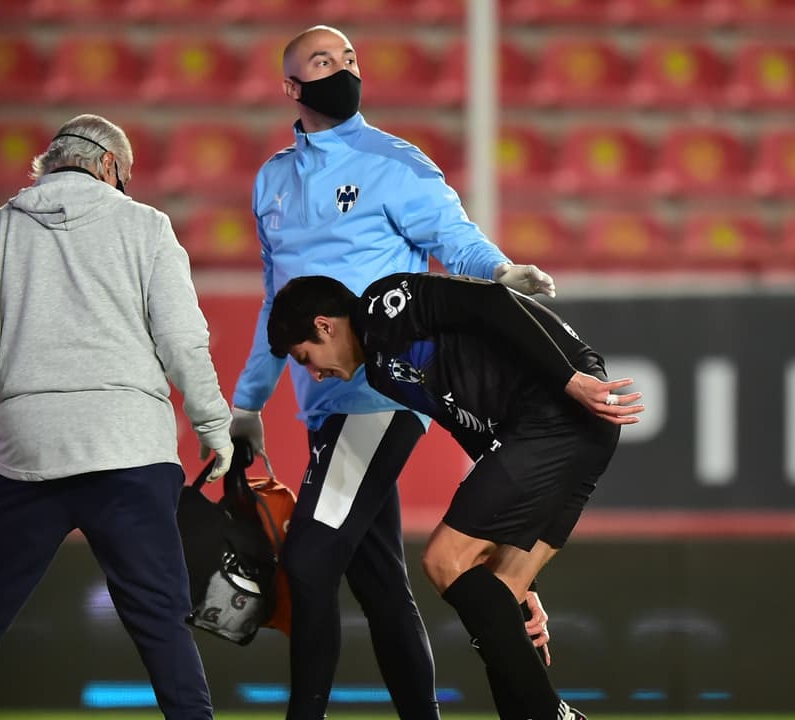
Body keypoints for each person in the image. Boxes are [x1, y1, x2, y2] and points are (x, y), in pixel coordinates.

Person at [229, 24, 560, 720]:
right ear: (291, 85)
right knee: (379, 586)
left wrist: (499, 271)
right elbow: (275, 303)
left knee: (309, 563)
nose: (343, 69)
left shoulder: (393, 162)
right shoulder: (272, 181)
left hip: (382, 393)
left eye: (350, 58)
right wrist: (250, 401)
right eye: (324, 61)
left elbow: (453, 237)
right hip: (324, 404)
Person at [266, 272, 644, 720]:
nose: (314, 373)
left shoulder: (383, 305)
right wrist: (525, 577)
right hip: (563, 433)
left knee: (444, 559)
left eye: (305, 358)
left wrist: (569, 380)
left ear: (325, 326)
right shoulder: (383, 374)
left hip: (557, 410)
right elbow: (471, 429)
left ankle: (552, 715)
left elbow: (491, 301)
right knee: (502, 594)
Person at [0, 113, 232, 720]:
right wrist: (212, 425)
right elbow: (182, 341)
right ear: (110, 166)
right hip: (129, 450)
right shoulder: (146, 226)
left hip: (30, 453)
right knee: (161, 622)